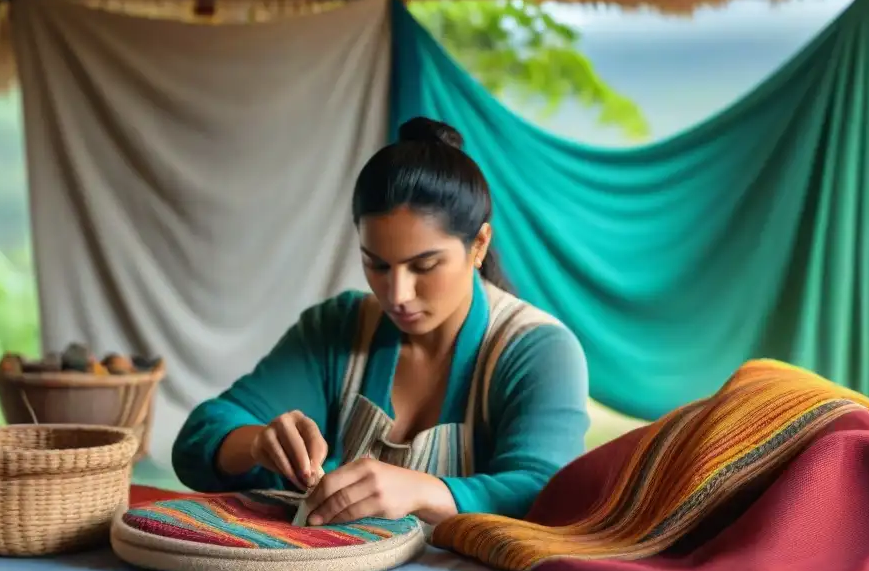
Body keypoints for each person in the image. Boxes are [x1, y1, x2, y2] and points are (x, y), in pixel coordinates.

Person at [171, 117, 590, 527]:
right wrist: (257, 442)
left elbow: (545, 492)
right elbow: (197, 440)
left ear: (479, 244)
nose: (397, 294)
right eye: (377, 264)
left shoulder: (538, 350)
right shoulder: (336, 327)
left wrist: (423, 492)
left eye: (424, 265)